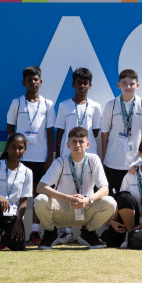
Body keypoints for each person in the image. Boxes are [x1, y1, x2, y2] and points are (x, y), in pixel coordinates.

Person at [34, 127, 116, 249]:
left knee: (110, 202)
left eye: (81, 141)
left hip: (85, 208)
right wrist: (67, 198)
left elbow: (105, 189)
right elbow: (40, 187)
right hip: (63, 210)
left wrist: (88, 200)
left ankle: (88, 233)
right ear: (68, 144)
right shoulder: (60, 162)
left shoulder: (94, 159)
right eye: (74, 141)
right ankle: (50, 234)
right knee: (40, 199)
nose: (77, 145)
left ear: (87, 145)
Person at [6, 65, 56, 246]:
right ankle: (11, 227)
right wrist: (15, 150)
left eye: (36, 79)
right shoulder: (17, 103)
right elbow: (10, 128)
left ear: (40, 82)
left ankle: (35, 232)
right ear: (24, 82)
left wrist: (51, 156)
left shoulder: (48, 104)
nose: (33, 82)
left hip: (41, 158)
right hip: (21, 158)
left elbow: (51, 132)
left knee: (37, 194)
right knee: (19, 194)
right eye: (29, 80)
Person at [54, 67, 102, 243]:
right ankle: (65, 231)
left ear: (90, 85)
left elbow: (95, 132)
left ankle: (86, 230)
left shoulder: (96, 106)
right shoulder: (64, 105)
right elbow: (59, 133)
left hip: (88, 155)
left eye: (85, 83)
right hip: (68, 155)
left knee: (87, 190)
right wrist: (56, 154)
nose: (82, 85)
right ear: (73, 84)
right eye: (79, 82)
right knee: (66, 190)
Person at [101, 69, 142, 197]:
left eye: (132, 83)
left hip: (135, 164)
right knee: (113, 200)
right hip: (112, 162)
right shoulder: (111, 105)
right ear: (119, 85)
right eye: (124, 83)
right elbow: (104, 133)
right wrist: (104, 157)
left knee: (133, 200)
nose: (128, 87)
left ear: (137, 86)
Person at [0, 133, 33, 251]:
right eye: (13, 147)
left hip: (12, 215)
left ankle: (5, 235)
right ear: (7, 148)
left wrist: (18, 222)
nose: (16, 151)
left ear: (25, 150)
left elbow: (23, 202)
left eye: (20, 148)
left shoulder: (27, 172)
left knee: (18, 246)